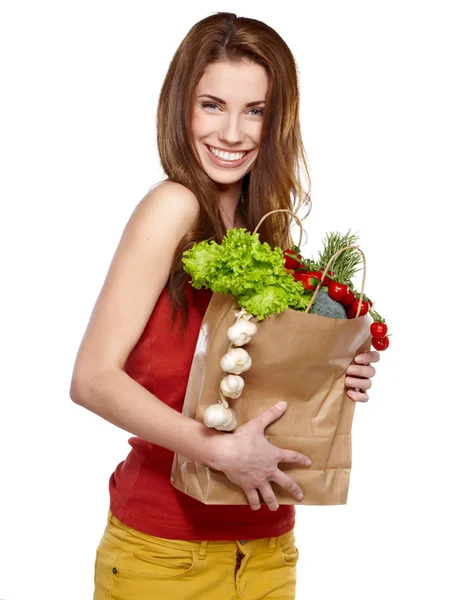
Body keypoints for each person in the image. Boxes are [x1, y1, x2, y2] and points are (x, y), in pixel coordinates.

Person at [70, 12, 380, 600]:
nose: (233, 132)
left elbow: (248, 377)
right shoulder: (173, 206)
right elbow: (91, 378)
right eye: (212, 105)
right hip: (165, 553)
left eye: (255, 110)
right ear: (180, 106)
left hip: (267, 547)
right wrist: (217, 450)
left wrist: (336, 372)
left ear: (278, 118)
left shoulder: (269, 228)